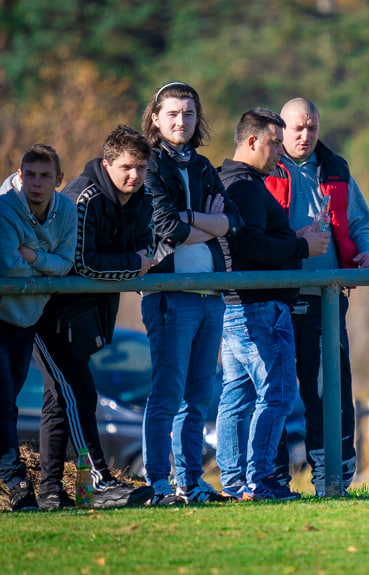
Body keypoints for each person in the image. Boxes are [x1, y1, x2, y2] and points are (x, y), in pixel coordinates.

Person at [32, 126, 157, 510]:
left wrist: (136, 262)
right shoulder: (83, 198)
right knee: (79, 394)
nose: (134, 176)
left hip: (84, 316)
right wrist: (133, 265)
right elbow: (82, 264)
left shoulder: (142, 197)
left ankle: (52, 490)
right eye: (126, 167)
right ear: (107, 164)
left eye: (140, 168)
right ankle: (99, 482)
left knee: (61, 401)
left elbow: (149, 246)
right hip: (45, 312)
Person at [266, 98, 369, 497]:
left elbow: (362, 224)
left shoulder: (335, 169)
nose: (305, 135)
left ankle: (331, 477)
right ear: (281, 129)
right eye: (297, 128)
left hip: (327, 299)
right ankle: (271, 478)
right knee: (272, 391)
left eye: (311, 128)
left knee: (327, 390)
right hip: (273, 299)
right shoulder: (263, 167)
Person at [216, 107, 329, 501]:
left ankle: (233, 483)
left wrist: (292, 237)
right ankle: (261, 480)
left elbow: (253, 239)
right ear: (251, 142)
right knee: (277, 394)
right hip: (258, 306)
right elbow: (250, 246)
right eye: (274, 142)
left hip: (236, 307)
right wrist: (301, 245)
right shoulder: (245, 186)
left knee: (237, 395)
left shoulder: (229, 180)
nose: (280, 150)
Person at [141, 81, 243, 505]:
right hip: (170, 294)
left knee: (198, 395)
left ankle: (191, 482)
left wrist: (194, 220)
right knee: (166, 393)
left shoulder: (202, 166)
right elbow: (166, 225)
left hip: (210, 296)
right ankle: (158, 484)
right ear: (155, 118)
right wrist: (204, 222)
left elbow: (232, 221)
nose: (181, 121)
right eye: (172, 114)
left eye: (188, 113)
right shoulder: (148, 165)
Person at [0, 144, 75, 511]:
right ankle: (15, 482)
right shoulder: (4, 207)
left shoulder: (67, 212)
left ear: (59, 180)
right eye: (30, 174)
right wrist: (40, 262)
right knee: (2, 403)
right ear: (19, 174)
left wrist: (31, 255)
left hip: (27, 316)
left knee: (10, 399)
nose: (36, 182)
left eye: (45, 175)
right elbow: (9, 265)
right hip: (2, 313)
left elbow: (65, 266)